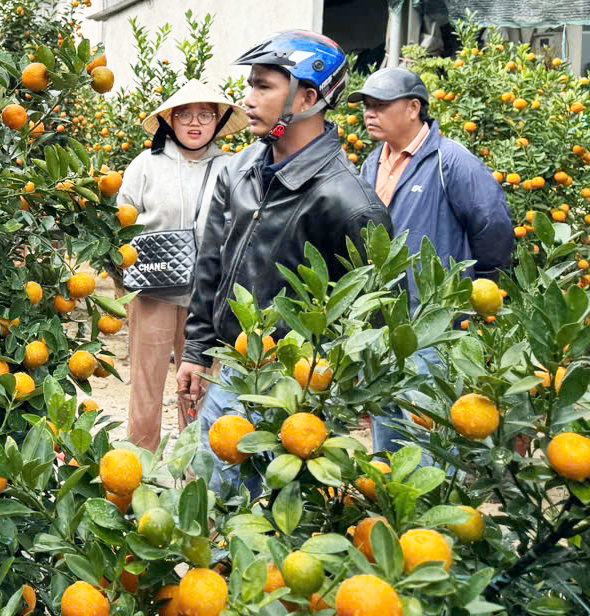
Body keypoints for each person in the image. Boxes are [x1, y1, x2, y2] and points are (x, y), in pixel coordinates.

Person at [174, 30, 391, 492]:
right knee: (210, 498)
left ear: (308, 97)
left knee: (271, 518)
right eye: (250, 84)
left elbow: (377, 316)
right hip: (234, 369)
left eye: (263, 87)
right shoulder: (238, 170)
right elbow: (210, 262)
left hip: (294, 391)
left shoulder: (349, 203)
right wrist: (195, 350)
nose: (247, 99)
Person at [349, 67, 513, 455]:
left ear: (413, 108)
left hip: (433, 322)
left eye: (380, 105)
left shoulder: (451, 161)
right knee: (387, 418)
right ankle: (396, 505)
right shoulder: (371, 163)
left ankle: (436, 508)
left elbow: (493, 225)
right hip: (383, 321)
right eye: (366, 106)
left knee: (430, 424)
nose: (369, 114)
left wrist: (479, 288)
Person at [116, 80, 249, 453]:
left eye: (205, 114)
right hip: (154, 289)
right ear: (169, 120)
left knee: (199, 384)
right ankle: (141, 465)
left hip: (206, 295)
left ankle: (195, 470)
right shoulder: (146, 164)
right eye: (184, 114)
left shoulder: (230, 167)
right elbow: (119, 219)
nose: (195, 122)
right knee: (147, 382)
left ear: (218, 121)